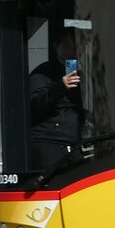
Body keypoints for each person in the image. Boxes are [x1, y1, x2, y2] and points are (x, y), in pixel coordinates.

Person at [28, 29, 84, 167]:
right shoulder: (44, 72)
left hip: (72, 142)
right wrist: (60, 87)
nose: (72, 50)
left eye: (75, 46)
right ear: (56, 47)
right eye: (66, 46)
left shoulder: (80, 71)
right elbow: (35, 103)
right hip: (50, 143)